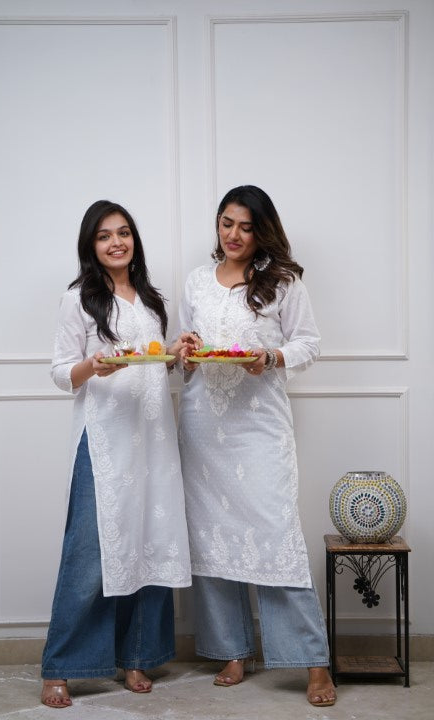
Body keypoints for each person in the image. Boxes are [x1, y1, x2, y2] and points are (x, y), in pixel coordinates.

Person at [177, 185, 336, 707]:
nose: (234, 235)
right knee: (212, 537)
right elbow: (185, 352)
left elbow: (308, 344)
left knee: (276, 534)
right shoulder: (196, 281)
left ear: (262, 230)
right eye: (227, 223)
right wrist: (187, 350)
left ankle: (313, 661)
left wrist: (269, 358)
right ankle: (232, 651)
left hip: (259, 426)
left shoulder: (282, 281)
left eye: (246, 227)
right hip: (203, 425)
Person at [41, 200, 196, 708]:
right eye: (105, 235)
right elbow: (61, 373)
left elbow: (153, 361)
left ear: (134, 240)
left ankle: (138, 656)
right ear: (91, 245)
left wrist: (176, 353)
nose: (116, 243)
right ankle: (62, 666)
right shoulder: (79, 299)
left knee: (150, 543)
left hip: (153, 439)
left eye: (124, 233)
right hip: (104, 439)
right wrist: (94, 365)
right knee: (90, 551)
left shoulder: (150, 300)